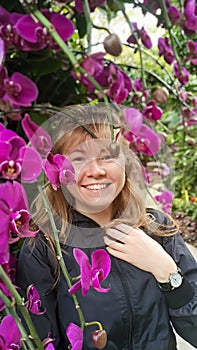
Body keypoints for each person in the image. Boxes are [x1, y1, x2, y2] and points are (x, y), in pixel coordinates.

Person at [16, 104, 197, 350]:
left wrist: (167, 272)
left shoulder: (157, 228)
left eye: (107, 156)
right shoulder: (44, 248)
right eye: (78, 158)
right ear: (56, 171)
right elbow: (40, 340)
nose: (97, 171)